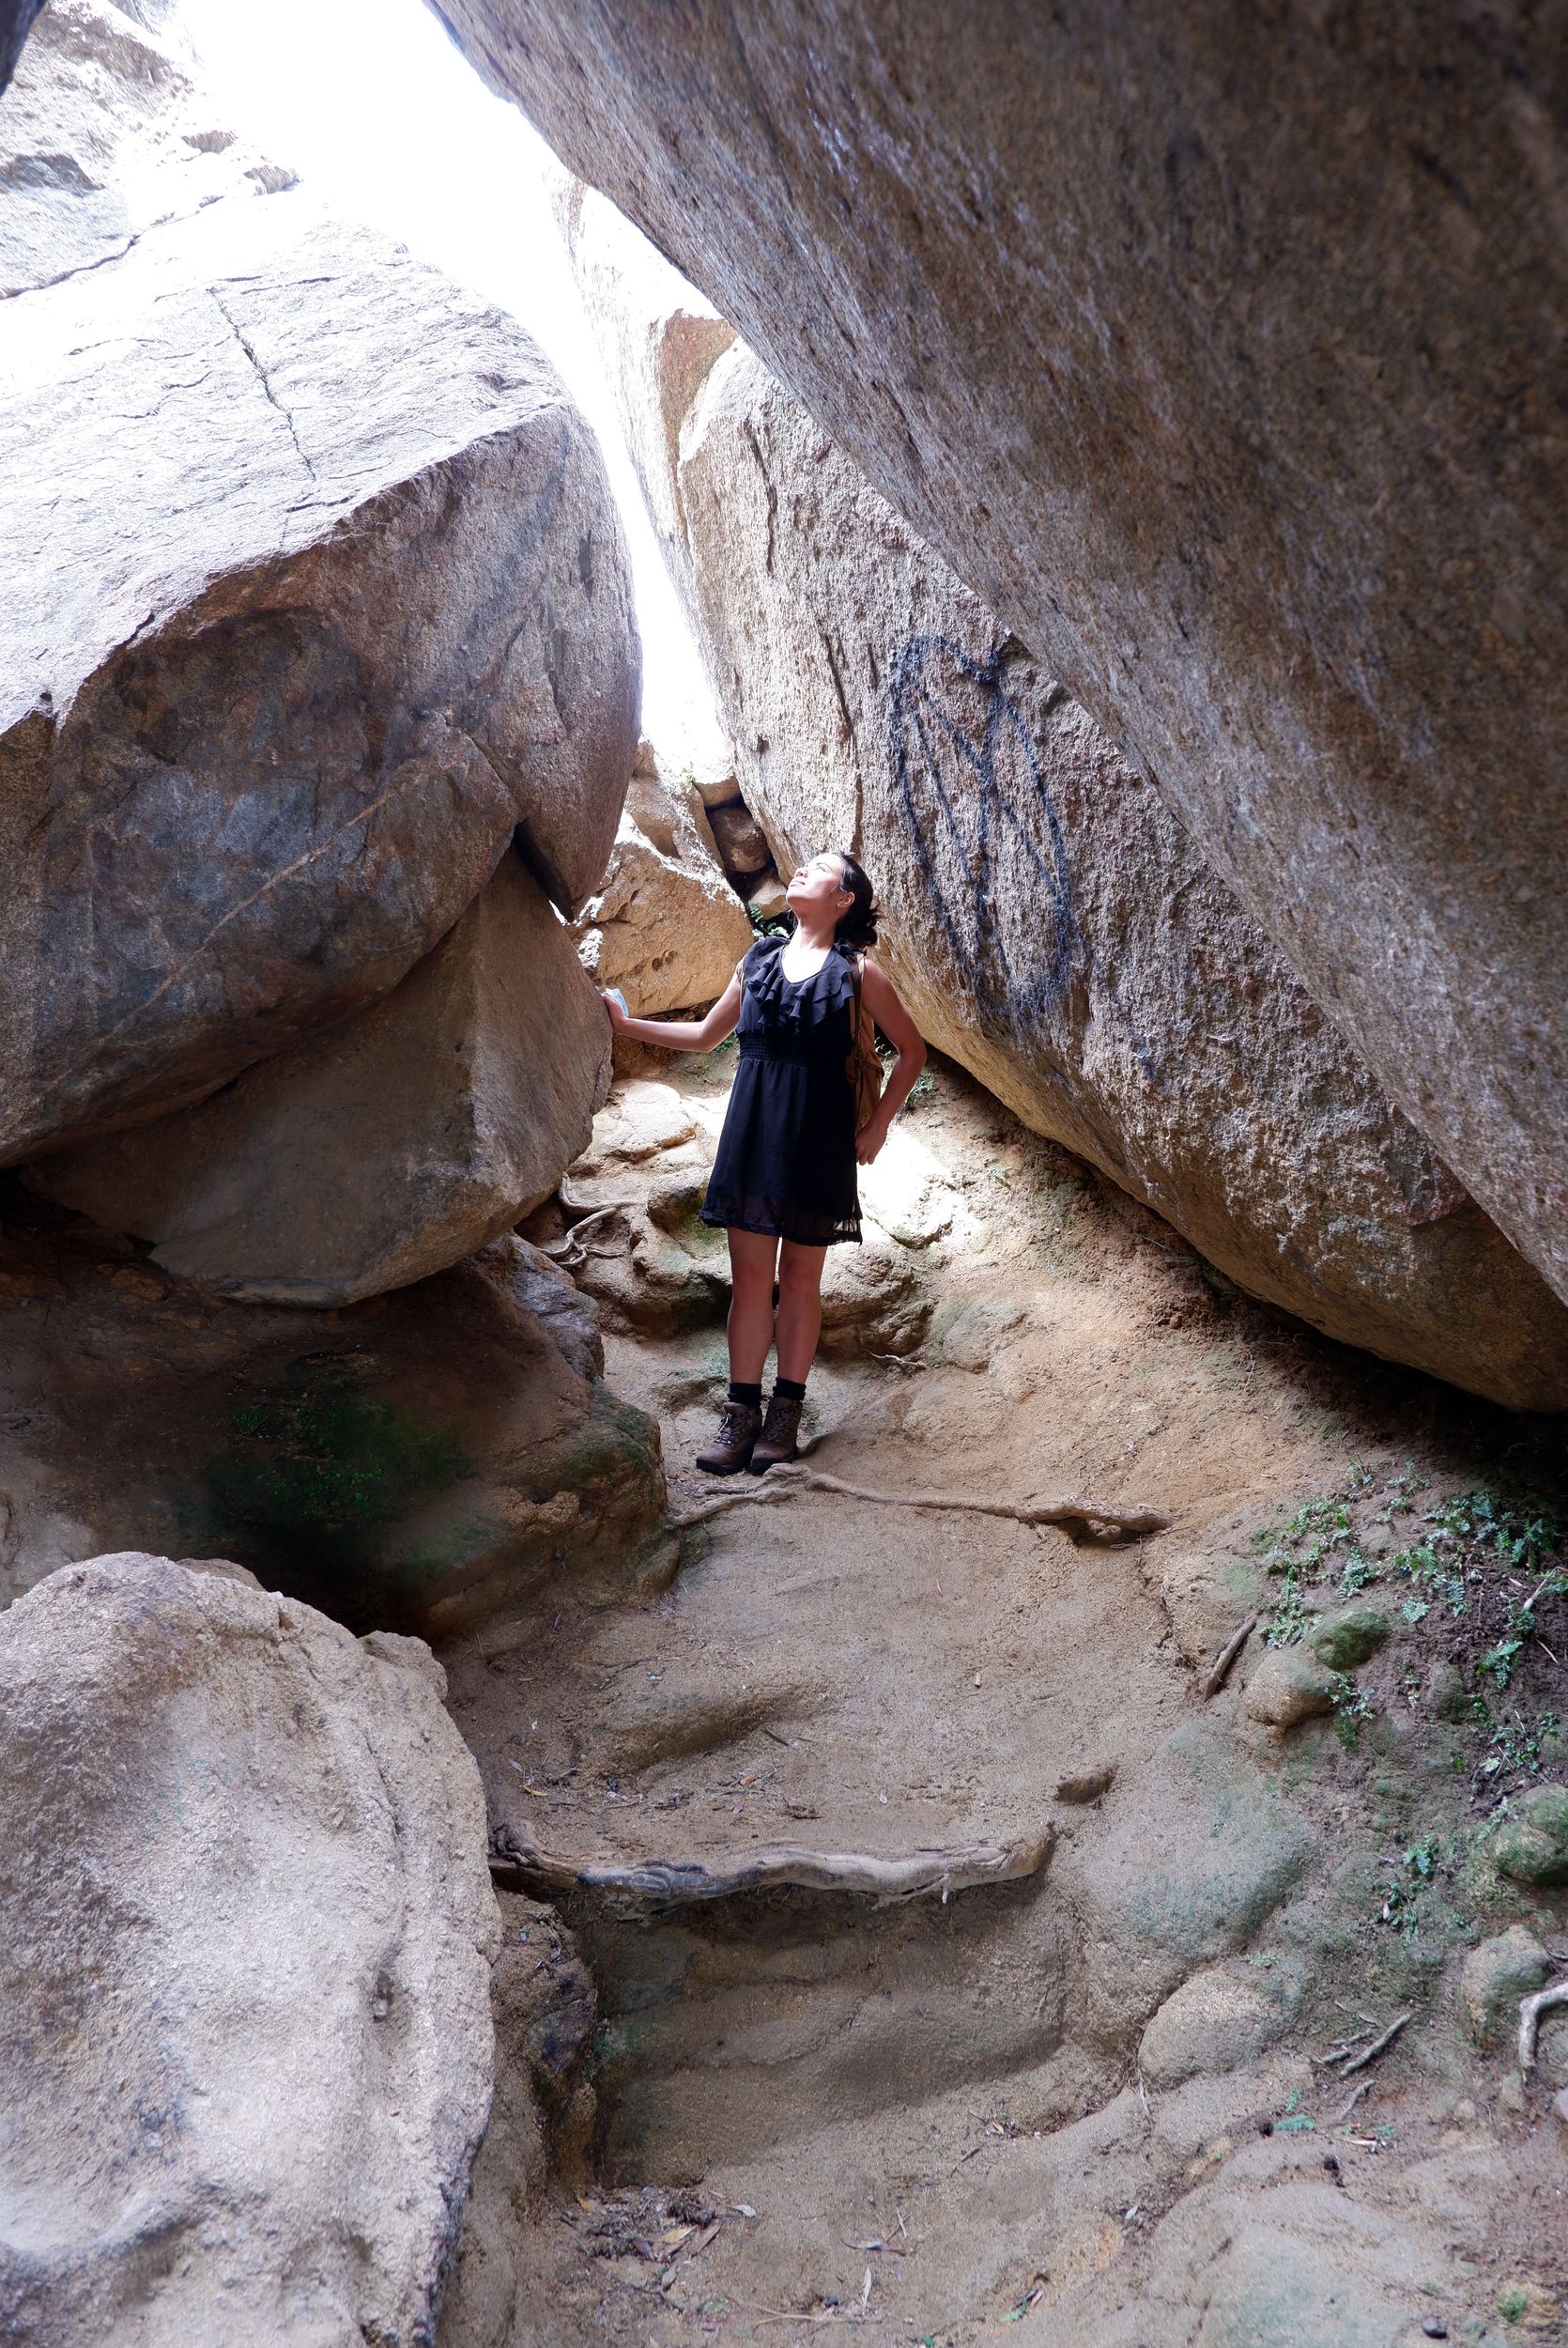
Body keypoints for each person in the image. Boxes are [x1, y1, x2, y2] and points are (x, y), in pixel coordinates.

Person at [602, 851, 927, 1474]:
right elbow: (705, 1036)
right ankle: (741, 1414)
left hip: (819, 1141)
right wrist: (626, 1024)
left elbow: (912, 1052)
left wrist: (878, 1125)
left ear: (844, 900)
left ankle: (785, 1415)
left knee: (800, 1280)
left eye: (819, 868)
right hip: (752, 1134)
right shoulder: (757, 960)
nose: (801, 870)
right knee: (751, 1281)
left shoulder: (859, 975)